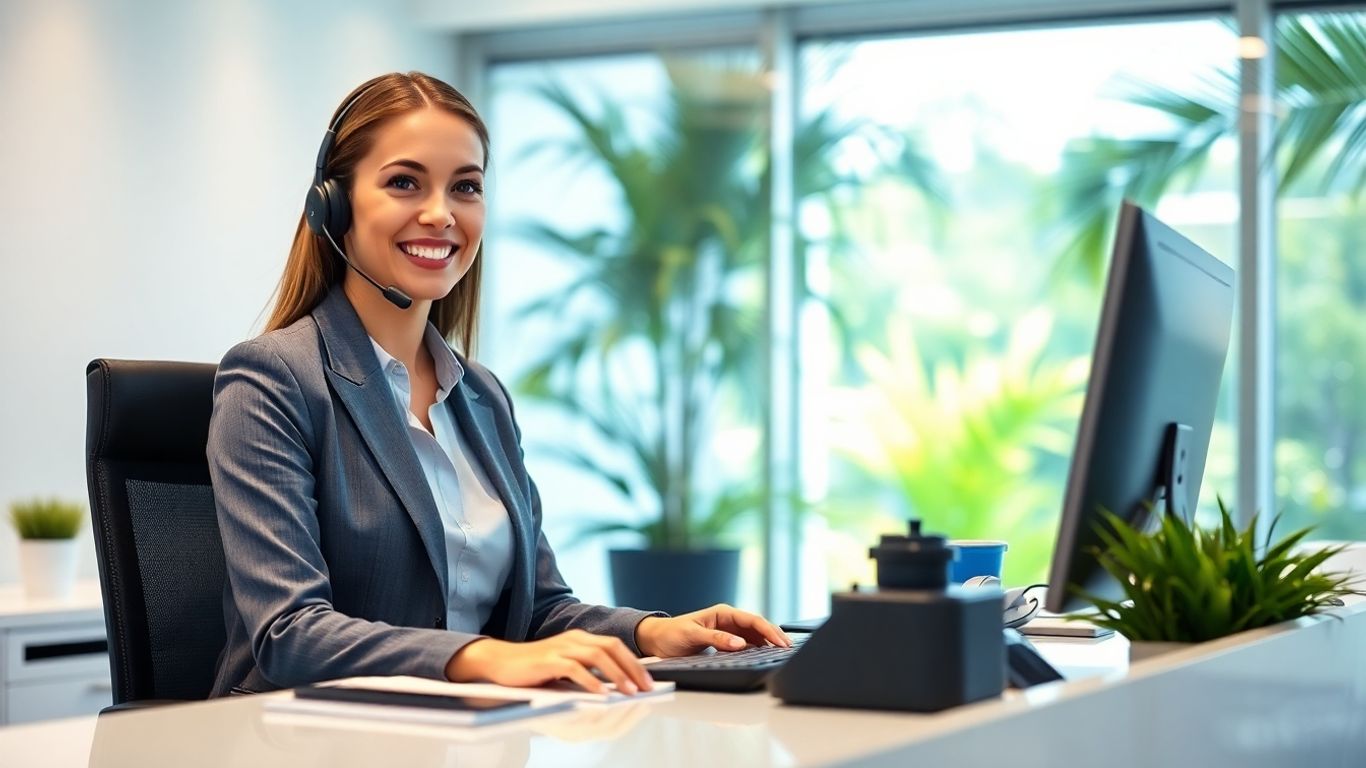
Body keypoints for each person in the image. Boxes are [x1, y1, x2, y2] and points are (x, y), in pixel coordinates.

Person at [206, 71, 789, 698]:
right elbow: (288, 632)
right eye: (404, 183)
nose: (440, 214)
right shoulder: (272, 380)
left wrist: (651, 631)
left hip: (460, 732)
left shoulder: (482, 397)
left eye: (466, 187)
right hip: (301, 740)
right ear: (335, 206)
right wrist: (478, 657)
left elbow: (537, 611)